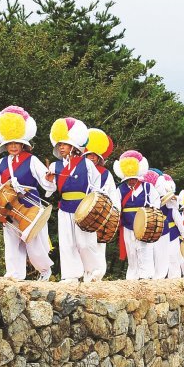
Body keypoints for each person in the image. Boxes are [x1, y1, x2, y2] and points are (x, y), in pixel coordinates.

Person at [0, 106, 53, 280]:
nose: (13, 146)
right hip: (9, 207)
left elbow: (45, 180)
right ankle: (14, 274)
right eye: (10, 143)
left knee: (33, 241)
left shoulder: (32, 160)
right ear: (6, 144)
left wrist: (49, 178)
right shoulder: (2, 163)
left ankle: (45, 270)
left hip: (30, 205)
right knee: (11, 242)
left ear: (23, 144)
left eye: (17, 143)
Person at [44, 117, 102, 283]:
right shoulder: (55, 166)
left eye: (64, 144)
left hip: (84, 207)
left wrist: (94, 205)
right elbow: (50, 190)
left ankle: (93, 271)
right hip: (64, 207)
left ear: (73, 146)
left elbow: (96, 186)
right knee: (67, 243)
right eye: (59, 144)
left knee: (85, 243)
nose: (61, 147)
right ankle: (71, 275)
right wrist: (48, 181)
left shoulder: (87, 164)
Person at [114, 150, 158, 279]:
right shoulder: (121, 189)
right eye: (129, 179)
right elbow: (116, 205)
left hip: (144, 222)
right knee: (131, 250)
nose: (131, 181)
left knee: (145, 248)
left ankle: (147, 274)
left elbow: (156, 202)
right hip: (127, 223)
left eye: (133, 179)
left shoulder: (148, 187)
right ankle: (132, 275)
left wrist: (151, 215)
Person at [83, 128, 116, 281]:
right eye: (88, 155)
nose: (91, 159)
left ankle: (98, 273)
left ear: (98, 158)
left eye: (94, 156)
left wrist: (111, 213)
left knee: (99, 243)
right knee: (83, 244)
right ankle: (86, 272)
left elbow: (112, 194)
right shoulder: (81, 171)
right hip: (83, 212)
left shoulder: (105, 174)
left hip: (101, 212)